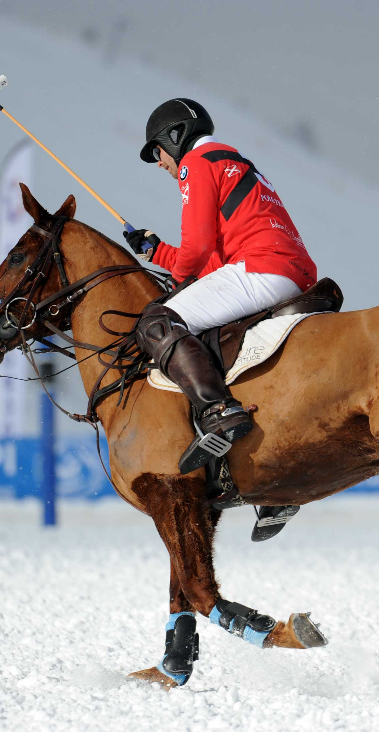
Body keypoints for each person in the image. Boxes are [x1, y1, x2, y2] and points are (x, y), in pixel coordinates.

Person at [125, 98, 318, 473]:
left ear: (176, 136)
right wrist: (160, 252)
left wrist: (178, 281)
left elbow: (196, 250)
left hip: (261, 269)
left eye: (159, 152)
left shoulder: (194, 164)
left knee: (157, 321)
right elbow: (214, 256)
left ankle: (219, 411)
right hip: (290, 270)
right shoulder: (231, 160)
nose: (162, 163)